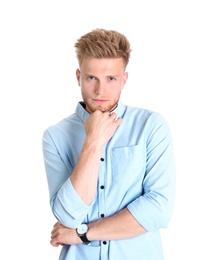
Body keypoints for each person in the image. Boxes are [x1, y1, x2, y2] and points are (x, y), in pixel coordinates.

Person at [42, 28, 176, 260]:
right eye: (91, 77)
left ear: (124, 79)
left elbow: (158, 210)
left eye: (111, 79)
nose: (100, 91)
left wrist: (83, 234)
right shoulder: (56, 136)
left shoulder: (151, 126)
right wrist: (93, 141)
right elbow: (67, 216)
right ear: (78, 77)